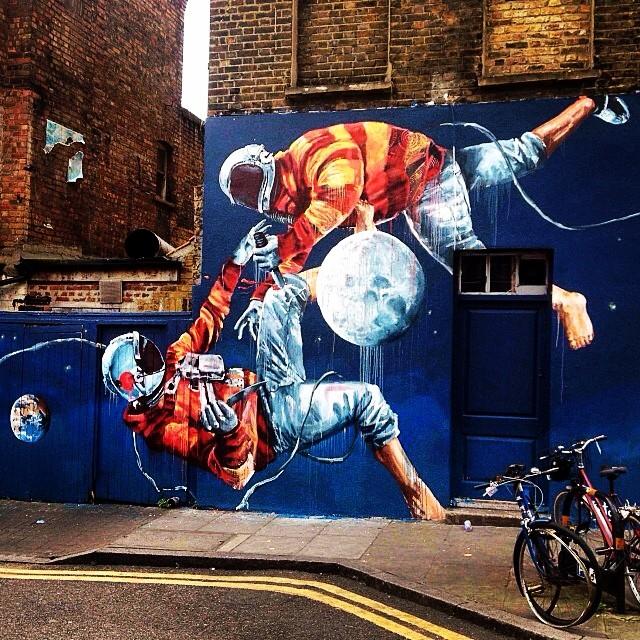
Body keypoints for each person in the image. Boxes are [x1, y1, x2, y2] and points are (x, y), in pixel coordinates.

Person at [219, 95, 630, 351]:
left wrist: (283, 249)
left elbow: (336, 201)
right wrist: (261, 297)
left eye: (260, 187)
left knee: (472, 268)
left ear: (267, 163)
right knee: (522, 154)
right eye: (254, 200)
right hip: (436, 163)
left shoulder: (315, 154)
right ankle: (589, 103)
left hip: (426, 186)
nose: (267, 203)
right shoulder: (298, 194)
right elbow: (330, 225)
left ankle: (564, 299)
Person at [102, 221, 446, 520]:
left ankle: (358, 274)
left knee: (280, 295)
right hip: (273, 423)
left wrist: (236, 262)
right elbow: (236, 474)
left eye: (149, 351)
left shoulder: (175, 358)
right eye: (148, 361)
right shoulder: (162, 428)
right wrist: (230, 430)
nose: (157, 359)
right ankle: (417, 497)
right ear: (136, 382)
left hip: (266, 385)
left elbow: (211, 314)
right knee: (366, 398)